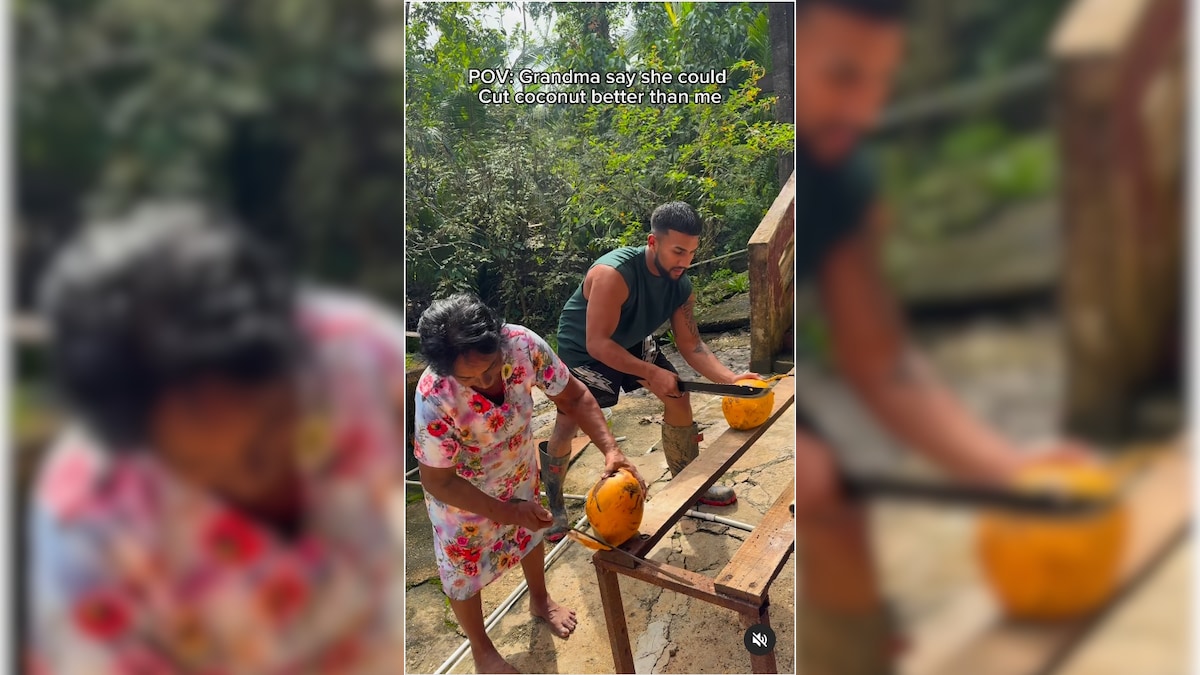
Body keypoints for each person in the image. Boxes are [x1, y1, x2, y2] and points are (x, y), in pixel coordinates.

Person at [793, 2, 1092, 673]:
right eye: (843, 76)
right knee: (815, 485)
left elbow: (882, 361)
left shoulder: (844, 173)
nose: (864, 112)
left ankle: (863, 645)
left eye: (880, 83)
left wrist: (1008, 469)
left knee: (839, 509)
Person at [27, 203, 406, 674]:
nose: (257, 480)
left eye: (271, 429)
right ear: (135, 448)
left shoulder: (359, 353)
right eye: (208, 469)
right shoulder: (86, 526)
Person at [412, 293, 642, 675]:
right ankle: (483, 650)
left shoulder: (523, 346)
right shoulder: (434, 395)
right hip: (461, 495)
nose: (485, 381)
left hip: (517, 467)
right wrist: (505, 511)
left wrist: (611, 450)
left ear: (500, 341)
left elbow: (576, 397)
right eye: (468, 378)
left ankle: (540, 599)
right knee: (462, 573)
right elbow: (437, 479)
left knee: (529, 533)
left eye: (490, 368)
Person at [544, 201, 760, 539]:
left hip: (631, 340)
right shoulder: (612, 274)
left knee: (677, 396)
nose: (685, 262)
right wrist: (650, 370)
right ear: (652, 242)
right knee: (568, 424)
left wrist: (732, 379)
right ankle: (555, 507)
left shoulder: (681, 286)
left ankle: (690, 485)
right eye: (678, 251)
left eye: (691, 252)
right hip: (583, 348)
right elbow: (598, 344)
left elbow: (692, 345)